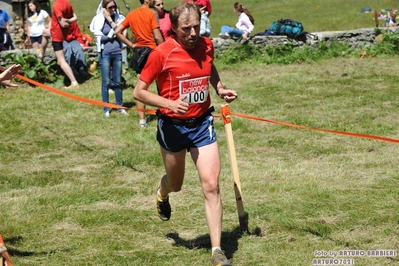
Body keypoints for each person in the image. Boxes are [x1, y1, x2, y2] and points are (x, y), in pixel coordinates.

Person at [133, 2, 237, 265]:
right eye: (186, 29)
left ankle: (217, 250)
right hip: (173, 127)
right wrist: (169, 104)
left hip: (202, 123)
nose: (192, 33)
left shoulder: (206, 45)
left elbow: (208, 66)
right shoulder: (162, 53)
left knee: (212, 185)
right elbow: (139, 91)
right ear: (174, 29)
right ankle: (162, 192)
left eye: (196, 27)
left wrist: (219, 87)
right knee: (176, 184)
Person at [115, 0, 164, 128]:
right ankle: (165, 113)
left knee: (140, 89)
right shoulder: (151, 13)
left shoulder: (132, 14)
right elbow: (157, 36)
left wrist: (131, 45)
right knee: (162, 84)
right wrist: (165, 49)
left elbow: (117, 31)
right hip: (153, 52)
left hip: (139, 53)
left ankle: (142, 120)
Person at [90, 0, 128, 117]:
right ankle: (106, 108)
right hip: (105, 53)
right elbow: (100, 37)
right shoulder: (97, 20)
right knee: (106, 82)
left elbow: (122, 33)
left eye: (114, 7)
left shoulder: (119, 18)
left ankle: (119, 106)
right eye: (110, 7)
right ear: (104, 8)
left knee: (117, 81)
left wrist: (111, 23)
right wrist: (114, 33)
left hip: (117, 53)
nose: (113, 9)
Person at [50, 0, 79, 89]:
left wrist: (66, 21)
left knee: (61, 61)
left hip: (57, 35)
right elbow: (75, 18)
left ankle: (74, 82)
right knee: (60, 60)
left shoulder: (57, 5)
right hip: (63, 35)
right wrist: (69, 20)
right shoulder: (67, 3)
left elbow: (63, 24)